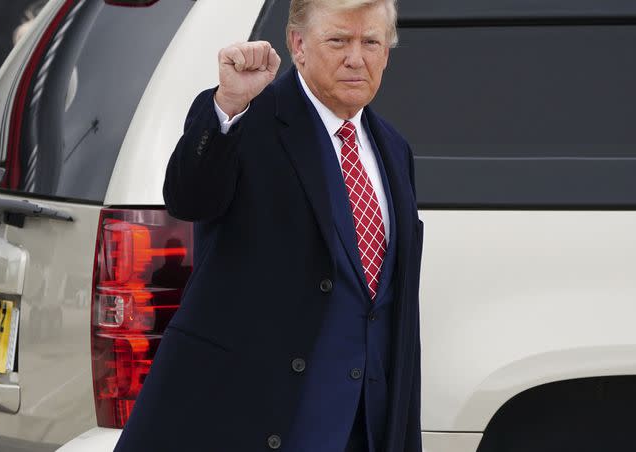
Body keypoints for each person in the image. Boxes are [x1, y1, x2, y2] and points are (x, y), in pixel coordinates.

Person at [115, 0, 423, 450]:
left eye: (371, 42)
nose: (356, 57)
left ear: (387, 53)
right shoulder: (249, 118)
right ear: (298, 44)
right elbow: (189, 197)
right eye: (338, 40)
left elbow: (391, 311)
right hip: (254, 422)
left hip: (365, 428)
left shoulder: (395, 150)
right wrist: (228, 104)